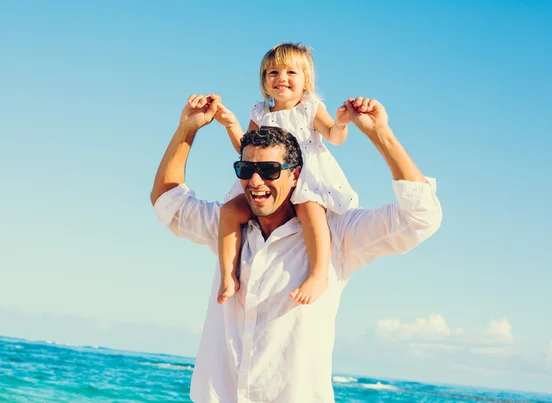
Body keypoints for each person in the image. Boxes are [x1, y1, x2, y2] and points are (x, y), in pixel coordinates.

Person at [151, 94, 442, 403]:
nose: (255, 181)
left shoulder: (337, 235)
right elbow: (168, 202)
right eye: (246, 169)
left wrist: (381, 135)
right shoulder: (227, 229)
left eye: (270, 170)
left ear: (296, 175)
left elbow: (420, 217)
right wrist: (187, 129)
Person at [214, 43, 359, 306]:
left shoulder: (310, 108)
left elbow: (334, 137)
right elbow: (244, 147)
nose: (282, 78)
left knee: (310, 210)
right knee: (229, 212)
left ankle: (318, 274)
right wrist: (231, 125)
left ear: (306, 81)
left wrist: (341, 122)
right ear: (264, 81)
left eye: (291, 72)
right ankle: (228, 275)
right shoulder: (260, 112)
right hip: (267, 181)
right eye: (273, 72)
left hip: (305, 177)